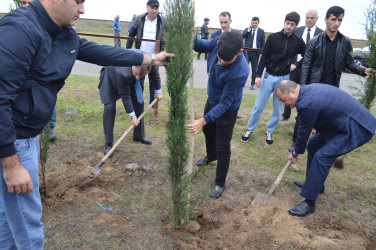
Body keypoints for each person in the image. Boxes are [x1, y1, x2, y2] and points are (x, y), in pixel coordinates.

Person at [0, 0, 173, 248]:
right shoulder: (19, 30)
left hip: (25, 138)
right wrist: (11, 162)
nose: (82, 10)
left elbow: (101, 52)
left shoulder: (64, 33)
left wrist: (150, 58)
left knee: (8, 218)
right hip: (14, 142)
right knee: (28, 226)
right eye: (78, 2)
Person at [292, 6, 376, 190]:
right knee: (311, 133)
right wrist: (304, 89)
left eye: (339, 20)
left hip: (331, 93)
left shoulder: (344, 41)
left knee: (318, 138)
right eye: (333, 19)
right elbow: (306, 65)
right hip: (314, 88)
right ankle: (311, 180)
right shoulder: (315, 41)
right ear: (326, 20)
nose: (336, 23)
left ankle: (314, 182)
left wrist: (363, 70)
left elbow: (349, 62)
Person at [275, 80, 376, 217]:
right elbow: (320, 111)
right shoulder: (307, 91)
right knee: (314, 143)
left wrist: (296, 153)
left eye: (283, 100)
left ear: (292, 91)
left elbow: (303, 133)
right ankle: (315, 183)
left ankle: (309, 202)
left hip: (357, 128)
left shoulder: (306, 103)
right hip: (343, 123)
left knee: (323, 156)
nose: (284, 104)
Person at [188, 30, 250, 199]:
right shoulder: (219, 42)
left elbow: (225, 104)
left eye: (226, 60)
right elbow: (199, 45)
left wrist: (202, 120)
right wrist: (190, 33)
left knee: (223, 146)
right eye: (220, 57)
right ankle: (211, 155)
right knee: (208, 130)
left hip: (227, 109)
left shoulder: (240, 72)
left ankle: (220, 182)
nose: (221, 62)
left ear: (239, 52)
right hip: (212, 99)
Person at [241, 12, 305, 145]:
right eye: (287, 23)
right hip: (269, 76)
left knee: (277, 108)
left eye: (292, 25)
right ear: (284, 22)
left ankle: (269, 131)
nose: (288, 26)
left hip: (284, 79)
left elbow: (307, 56)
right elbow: (263, 57)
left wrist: (296, 65)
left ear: (296, 25)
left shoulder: (298, 42)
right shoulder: (273, 38)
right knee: (258, 106)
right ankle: (249, 129)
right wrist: (258, 76)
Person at [99, 64, 163, 156]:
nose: (138, 78)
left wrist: (158, 91)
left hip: (129, 76)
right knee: (110, 108)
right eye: (136, 74)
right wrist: (132, 116)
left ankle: (138, 135)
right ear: (134, 66)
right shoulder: (123, 72)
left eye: (141, 76)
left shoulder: (150, 63)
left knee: (139, 102)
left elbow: (155, 75)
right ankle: (108, 144)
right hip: (110, 77)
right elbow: (125, 95)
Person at [280, 9, 323, 123]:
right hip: (293, 68)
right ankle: (286, 113)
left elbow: (315, 55)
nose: (309, 20)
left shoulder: (321, 34)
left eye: (312, 18)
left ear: (317, 19)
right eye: (307, 17)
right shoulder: (297, 30)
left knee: (305, 93)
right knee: (289, 90)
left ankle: (301, 116)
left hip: (309, 70)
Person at [126, 0, 165, 106]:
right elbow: (132, 34)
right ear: (147, 7)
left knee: (154, 79)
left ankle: (153, 105)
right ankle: (139, 103)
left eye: (156, 8)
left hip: (154, 56)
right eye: (152, 7)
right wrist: (128, 49)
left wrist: (163, 49)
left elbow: (167, 36)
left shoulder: (162, 21)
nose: (154, 10)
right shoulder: (140, 19)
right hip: (140, 56)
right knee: (139, 80)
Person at [242, 17, 265, 90]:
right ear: (251, 23)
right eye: (253, 23)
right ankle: (242, 82)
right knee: (244, 68)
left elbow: (263, 43)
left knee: (255, 69)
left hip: (255, 53)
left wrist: (261, 53)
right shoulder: (247, 29)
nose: (254, 24)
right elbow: (242, 37)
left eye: (255, 23)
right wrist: (248, 30)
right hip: (247, 52)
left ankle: (252, 84)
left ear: (258, 23)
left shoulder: (261, 31)